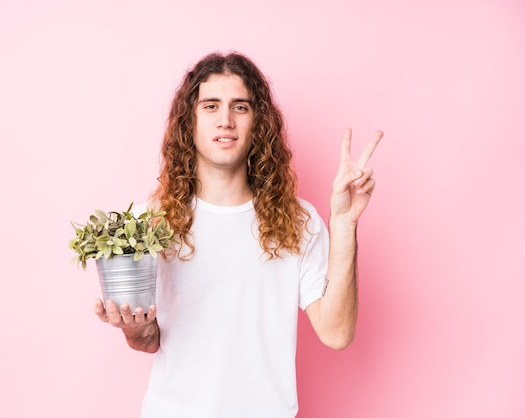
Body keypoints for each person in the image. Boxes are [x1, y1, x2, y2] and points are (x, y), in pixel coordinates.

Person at [93, 51, 382, 417]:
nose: (225, 120)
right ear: (190, 122)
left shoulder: (298, 219)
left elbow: (336, 334)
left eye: (240, 107)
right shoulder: (150, 223)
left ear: (257, 122)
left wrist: (345, 223)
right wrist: (135, 329)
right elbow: (148, 342)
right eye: (211, 106)